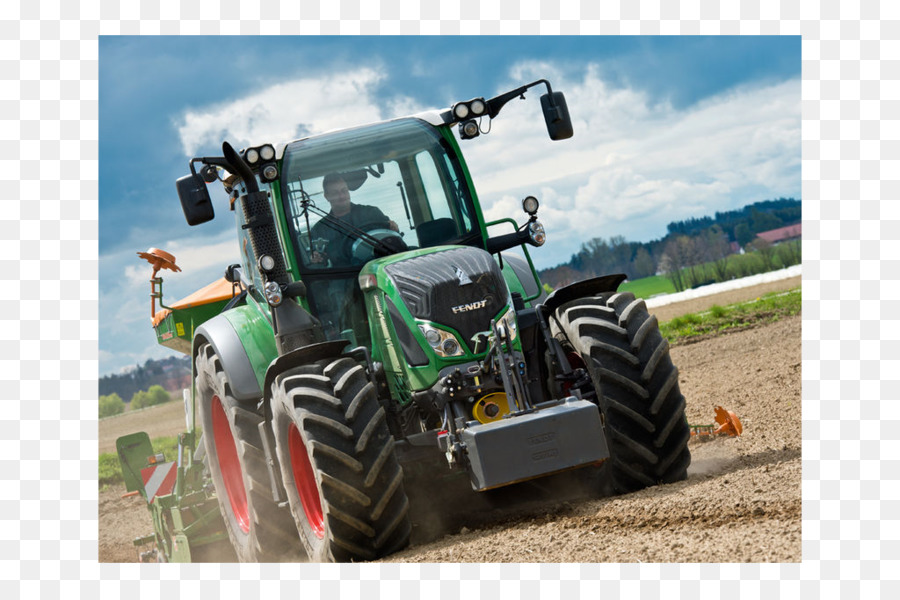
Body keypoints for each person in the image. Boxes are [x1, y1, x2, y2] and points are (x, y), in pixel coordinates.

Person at [309, 172, 398, 266]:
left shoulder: (372, 213)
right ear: (327, 196)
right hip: (344, 276)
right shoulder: (319, 230)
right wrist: (316, 258)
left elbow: (392, 241)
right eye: (335, 193)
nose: (342, 196)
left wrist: (394, 229)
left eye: (344, 190)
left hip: (379, 267)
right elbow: (319, 262)